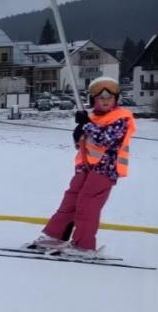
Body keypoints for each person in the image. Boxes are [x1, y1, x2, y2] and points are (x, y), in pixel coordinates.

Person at [25, 76, 135, 259]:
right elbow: (82, 144)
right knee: (71, 199)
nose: (106, 101)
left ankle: (84, 245)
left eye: (110, 98)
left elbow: (104, 139)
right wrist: (79, 132)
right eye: (101, 98)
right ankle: (56, 236)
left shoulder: (121, 118)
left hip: (105, 170)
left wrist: (87, 125)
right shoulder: (91, 117)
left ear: (116, 99)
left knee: (87, 204)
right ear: (94, 100)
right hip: (85, 168)